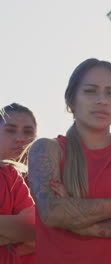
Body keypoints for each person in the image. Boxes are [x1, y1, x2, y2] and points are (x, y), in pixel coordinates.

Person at [27, 58, 111, 264]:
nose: (102, 100)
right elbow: (53, 212)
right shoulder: (47, 149)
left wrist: (85, 222)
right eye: (90, 91)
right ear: (71, 100)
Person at [0, 103, 36, 263]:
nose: (20, 138)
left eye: (28, 132)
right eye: (10, 130)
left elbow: (32, 227)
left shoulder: (52, 180)